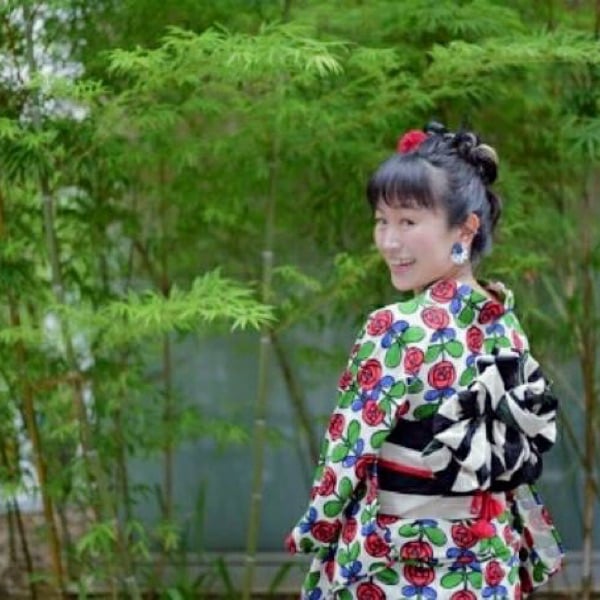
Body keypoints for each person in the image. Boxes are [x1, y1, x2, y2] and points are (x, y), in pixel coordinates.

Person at [286, 123, 563, 599]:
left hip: (398, 565)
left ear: (465, 229)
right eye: (382, 221)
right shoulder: (504, 321)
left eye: (408, 222)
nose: (389, 241)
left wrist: (316, 528)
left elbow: (347, 455)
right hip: (489, 567)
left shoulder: (394, 328)